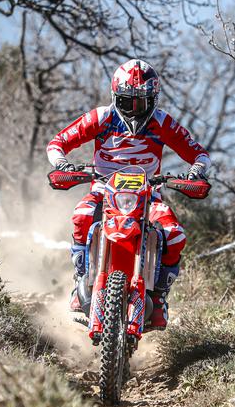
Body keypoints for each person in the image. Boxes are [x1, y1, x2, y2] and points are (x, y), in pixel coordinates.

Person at [46, 59, 211, 331]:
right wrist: (62, 164)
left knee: (174, 235)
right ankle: (80, 280)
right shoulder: (101, 117)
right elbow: (57, 143)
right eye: (127, 101)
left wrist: (195, 172)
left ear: (153, 100)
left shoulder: (162, 122)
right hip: (103, 190)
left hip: (149, 194)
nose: (135, 110)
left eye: (142, 102)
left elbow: (199, 154)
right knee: (81, 217)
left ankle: (158, 298)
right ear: (115, 97)